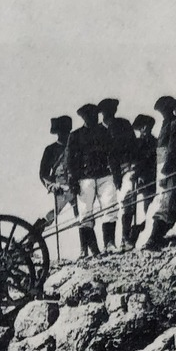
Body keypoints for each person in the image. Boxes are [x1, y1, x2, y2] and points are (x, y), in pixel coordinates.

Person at [138, 95, 176, 250]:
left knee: (165, 199)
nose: (163, 113)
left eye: (165, 110)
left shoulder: (174, 123)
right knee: (164, 199)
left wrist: (166, 169)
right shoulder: (168, 123)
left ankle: (155, 238)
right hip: (163, 165)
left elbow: (173, 149)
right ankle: (156, 235)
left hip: (168, 167)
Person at [66, 102, 113, 256]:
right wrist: (73, 179)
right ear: (83, 117)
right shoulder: (75, 135)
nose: (91, 118)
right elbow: (70, 161)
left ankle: (109, 244)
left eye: (94, 115)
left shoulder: (104, 132)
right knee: (85, 213)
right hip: (85, 178)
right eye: (88, 116)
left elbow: (112, 155)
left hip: (104, 175)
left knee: (109, 207)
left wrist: (116, 175)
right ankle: (91, 249)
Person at [97, 98, 137, 249]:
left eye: (112, 110)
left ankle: (125, 238)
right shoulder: (98, 130)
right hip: (106, 174)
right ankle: (109, 243)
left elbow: (133, 146)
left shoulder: (124, 124)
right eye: (106, 111)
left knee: (127, 200)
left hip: (125, 168)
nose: (109, 114)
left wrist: (133, 165)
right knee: (109, 206)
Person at [117, 113, 157, 248]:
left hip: (149, 178)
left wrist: (143, 175)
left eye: (146, 127)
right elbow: (132, 160)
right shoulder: (136, 143)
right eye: (142, 128)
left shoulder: (155, 142)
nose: (144, 130)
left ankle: (140, 233)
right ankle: (125, 237)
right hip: (135, 177)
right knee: (128, 203)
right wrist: (136, 173)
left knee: (148, 208)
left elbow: (153, 162)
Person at [38, 115, 75, 236]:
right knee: (49, 216)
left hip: (74, 185)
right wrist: (51, 185)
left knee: (83, 215)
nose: (65, 134)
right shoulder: (50, 150)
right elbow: (43, 173)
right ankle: (30, 242)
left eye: (66, 131)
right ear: (57, 133)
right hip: (59, 187)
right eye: (62, 132)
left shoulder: (75, 147)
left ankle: (85, 249)